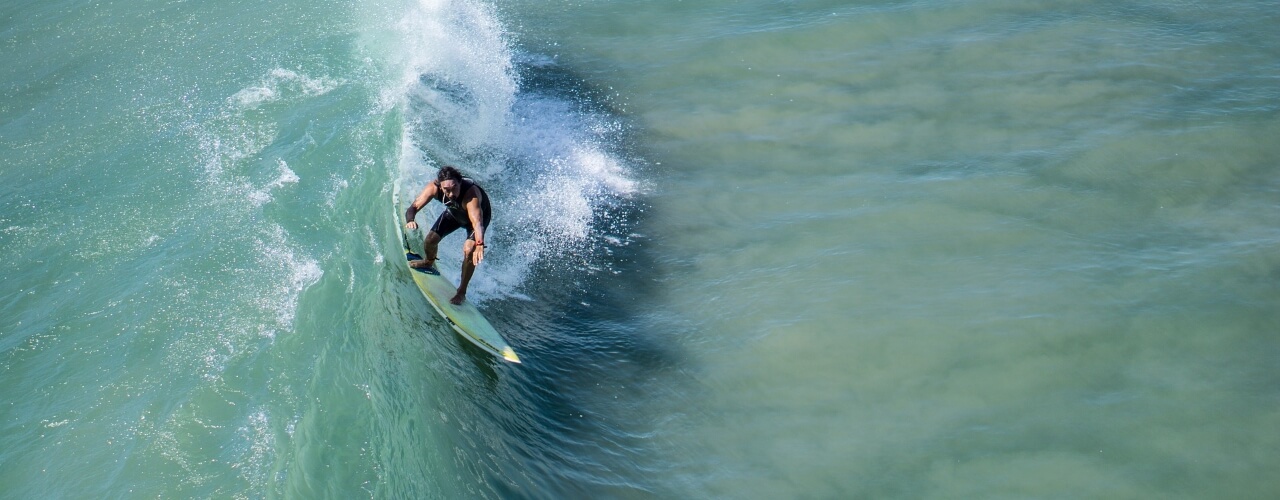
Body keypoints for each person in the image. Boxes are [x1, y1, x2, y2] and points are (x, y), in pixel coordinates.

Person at [404, 166, 491, 305]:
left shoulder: (471, 195)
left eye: (454, 188)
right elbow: (413, 207)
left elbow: (477, 223)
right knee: (430, 240)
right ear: (440, 185)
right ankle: (428, 262)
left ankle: (461, 292)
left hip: (476, 222)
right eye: (446, 190)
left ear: (460, 182)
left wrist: (479, 243)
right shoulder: (434, 188)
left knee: (469, 250)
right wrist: (410, 220)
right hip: (455, 214)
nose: (450, 194)